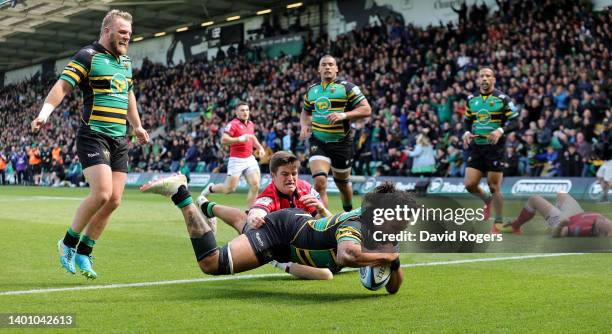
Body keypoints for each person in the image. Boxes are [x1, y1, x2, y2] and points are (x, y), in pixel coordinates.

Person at [31, 9, 149, 279]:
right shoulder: (88, 56)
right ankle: (67, 243)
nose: (127, 37)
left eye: (129, 34)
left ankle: (84, 251)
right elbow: (62, 87)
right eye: (122, 32)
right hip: (93, 134)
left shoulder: (126, 62)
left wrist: (138, 125)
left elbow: (127, 93)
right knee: (102, 194)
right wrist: (44, 114)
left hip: (119, 138)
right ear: (107, 31)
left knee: (115, 200)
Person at [141, 175, 404, 294]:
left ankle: (207, 207)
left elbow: (392, 288)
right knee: (212, 262)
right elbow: (347, 255)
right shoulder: (357, 224)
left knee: (244, 224)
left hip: (293, 235)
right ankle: (181, 194)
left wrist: (393, 260)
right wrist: (387, 258)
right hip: (283, 233)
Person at [197, 151, 333, 280]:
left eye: (294, 173)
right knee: (325, 274)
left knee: (241, 220)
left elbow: (330, 223)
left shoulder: (306, 189)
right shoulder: (269, 194)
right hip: (278, 247)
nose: (290, 178)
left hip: (301, 241)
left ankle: (207, 207)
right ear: (273, 176)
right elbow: (257, 210)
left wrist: (322, 209)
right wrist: (253, 217)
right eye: (285, 174)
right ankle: (275, 261)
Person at [299, 55, 372, 212]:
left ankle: (348, 211)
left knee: (343, 184)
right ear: (319, 69)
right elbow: (305, 112)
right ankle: (326, 222)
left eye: (331, 64)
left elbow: (366, 109)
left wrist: (343, 115)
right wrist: (304, 125)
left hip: (341, 143)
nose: (327, 67)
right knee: (319, 182)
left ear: (337, 68)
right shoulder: (312, 90)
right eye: (324, 64)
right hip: (318, 141)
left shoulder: (347, 88)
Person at [462, 67, 518, 227]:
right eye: (481, 76)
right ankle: (486, 200)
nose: (484, 79)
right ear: (478, 80)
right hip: (477, 146)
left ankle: (498, 222)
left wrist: (500, 130)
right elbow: (467, 120)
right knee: (469, 185)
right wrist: (466, 132)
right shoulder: (471, 99)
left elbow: (516, 121)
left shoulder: (503, 99)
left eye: (488, 76)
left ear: (494, 79)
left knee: (494, 187)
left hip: (495, 148)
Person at [201, 102, 265, 207]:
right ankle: (211, 188)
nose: (245, 112)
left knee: (255, 185)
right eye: (242, 110)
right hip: (236, 160)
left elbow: (252, 137)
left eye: (247, 110)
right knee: (229, 189)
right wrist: (239, 139)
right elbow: (223, 140)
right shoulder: (233, 124)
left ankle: (249, 211)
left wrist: (260, 147)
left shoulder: (250, 124)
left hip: (249, 159)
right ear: (236, 113)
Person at [497, 193, 611, 237]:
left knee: (534, 199)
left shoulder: (581, 229)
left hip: (564, 220)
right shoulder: (605, 224)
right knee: (562, 194)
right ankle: (552, 218)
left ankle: (515, 226)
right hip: (578, 214)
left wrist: (560, 225)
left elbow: (558, 234)